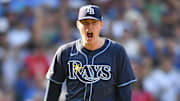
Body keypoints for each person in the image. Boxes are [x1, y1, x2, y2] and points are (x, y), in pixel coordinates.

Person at [44, 4, 136, 101]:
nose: (90, 27)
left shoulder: (117, 52)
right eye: (85, 23)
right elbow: (52, 92)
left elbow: (125, 93)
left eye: (94, 22)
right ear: (78, 25)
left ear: (101, 25)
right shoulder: (65, 52)